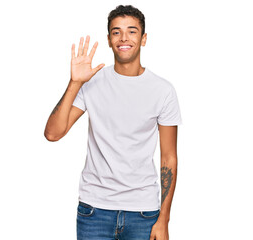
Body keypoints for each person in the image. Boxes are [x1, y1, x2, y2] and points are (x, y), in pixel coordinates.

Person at [44, 5, 182, 240]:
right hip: (94, 210)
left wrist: (164, 219)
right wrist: (75, 82)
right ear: (109, 40)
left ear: (144, 38)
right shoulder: (91, 83)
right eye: (116, 32)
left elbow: (168, 157)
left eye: (132, 31)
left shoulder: (162, 91)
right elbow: (53, 134)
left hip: (143, 212)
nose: (124, 38)